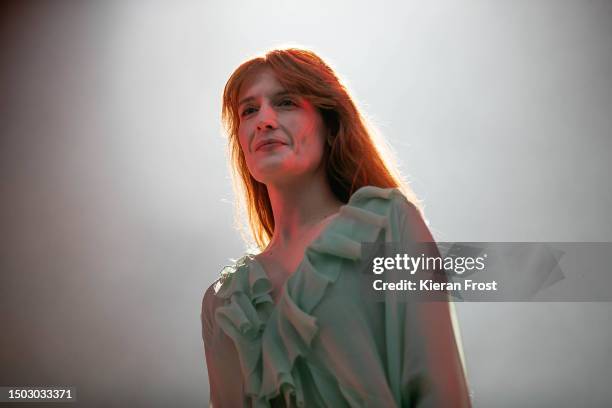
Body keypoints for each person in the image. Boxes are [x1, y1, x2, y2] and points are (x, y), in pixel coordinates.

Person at [201, 48, 470, 407]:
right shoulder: (224, 301)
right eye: (249, 110)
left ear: (330, 125)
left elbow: (441, 393)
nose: (264, 119)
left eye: (285, 102)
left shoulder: (387, 226)